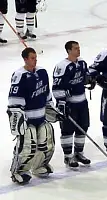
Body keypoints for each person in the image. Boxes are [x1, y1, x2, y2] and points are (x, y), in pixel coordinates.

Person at [7, 47, 56, 184]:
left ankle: (39, 166)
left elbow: (47, 93)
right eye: (32, 58)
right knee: (28, 145)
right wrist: (17, 119)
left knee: (46, 143)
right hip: (28, 119)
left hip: (41, 116)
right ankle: (18, 171)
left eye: (36, 58)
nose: (35, 60)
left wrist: (52, 109)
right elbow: (14, 100)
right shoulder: (19, 76)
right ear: (25, 59)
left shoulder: (42, 72)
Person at [52, 41, 92, 169]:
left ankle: (79, 153)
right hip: (70, 105)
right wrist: (62, 104)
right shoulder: (62, 66)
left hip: (82, 102)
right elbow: (56, 88)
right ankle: (68, 156)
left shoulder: (82, 63)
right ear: (69, 51)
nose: (78, 50)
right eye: (75, 48)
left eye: (79, 48)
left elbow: (85, 77)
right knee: (67, 131)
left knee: (83, 127)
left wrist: (91, 81)